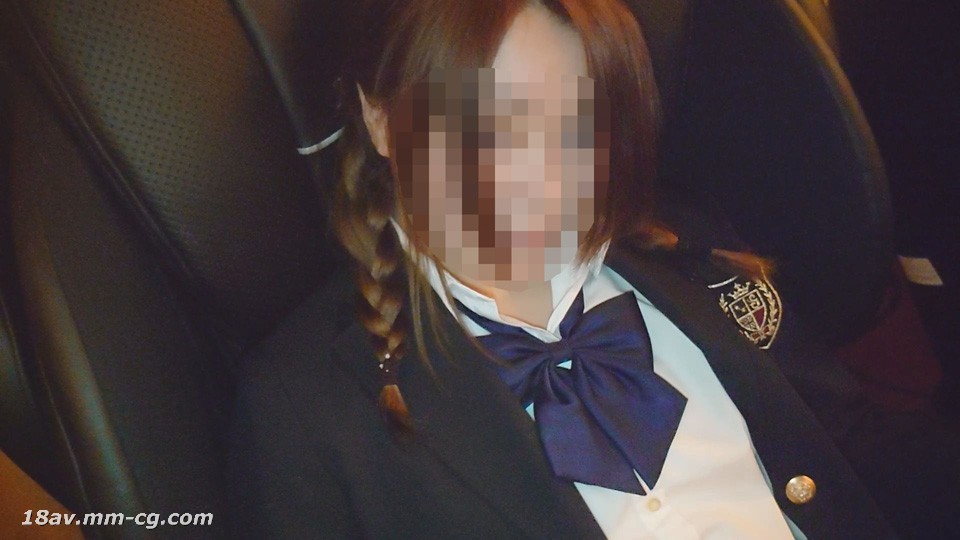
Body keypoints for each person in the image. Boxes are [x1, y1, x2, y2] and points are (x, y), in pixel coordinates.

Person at [225, 1, 960, 538]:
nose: (544, 180)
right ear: (382, 120)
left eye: (577, 128)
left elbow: (855, 442)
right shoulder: (304, 404)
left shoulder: (689, 252)